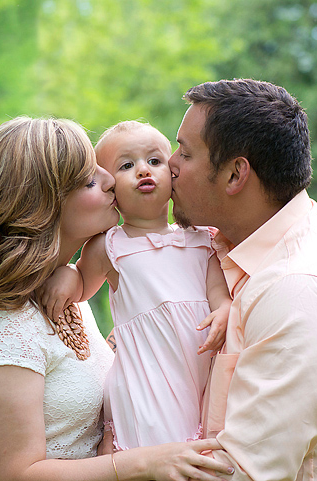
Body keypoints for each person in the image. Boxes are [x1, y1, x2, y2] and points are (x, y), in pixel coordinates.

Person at [0, 116, 234, 481]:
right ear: (41, 204)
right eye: (90, 179)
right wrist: (145, 462)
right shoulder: (2, 325)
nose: (110, 180)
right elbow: (17, 474)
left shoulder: (65, 293)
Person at [169, 79, 317, 480]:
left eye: (185, 153)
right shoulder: (229, 246)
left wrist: (120, 468)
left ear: (235, 175)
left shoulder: (306, 290)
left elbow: (241, 473)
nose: (169, 164)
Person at [37, 120, 232, 451]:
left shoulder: (201, 239)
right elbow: (83, 283)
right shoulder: (111, 246)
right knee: (156, 453)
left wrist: (224, 309)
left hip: (198, 369)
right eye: (126, 166)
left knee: (200, 448)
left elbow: (218, 292)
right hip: (147, 380)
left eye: (154, 161)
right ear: (110, 189)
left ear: (173, 174)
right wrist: (68, 275)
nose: (143, 170)